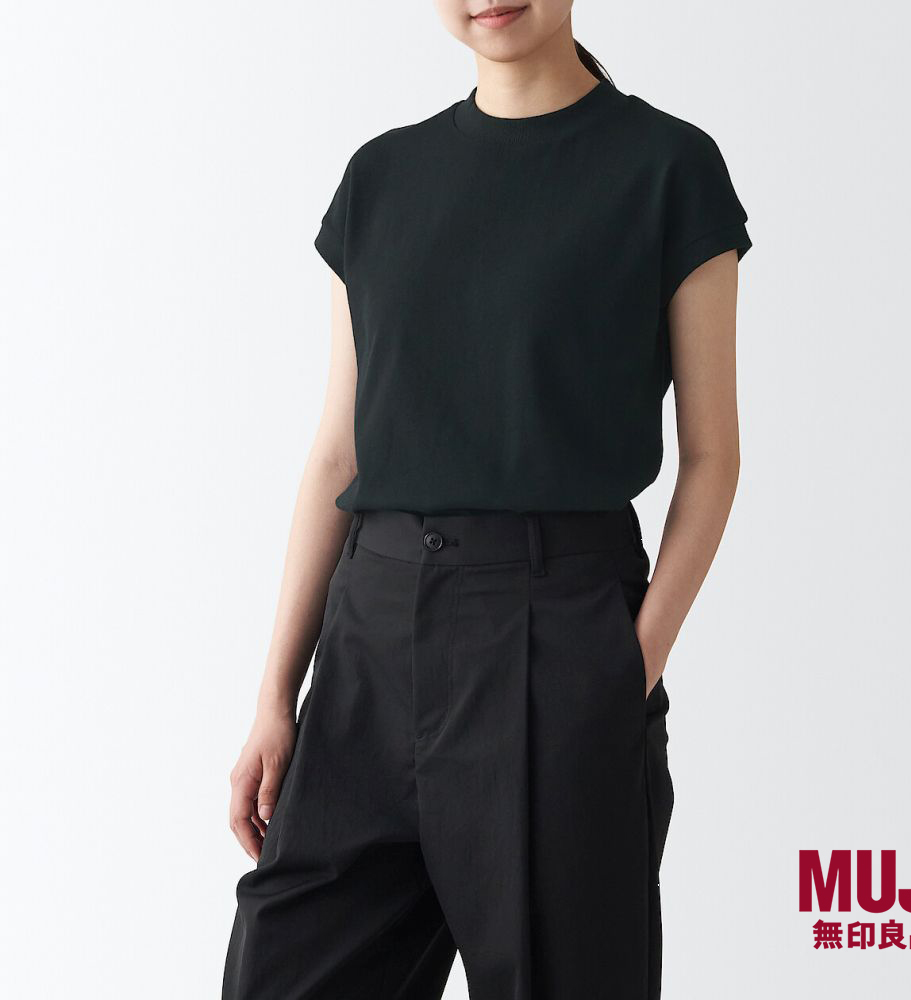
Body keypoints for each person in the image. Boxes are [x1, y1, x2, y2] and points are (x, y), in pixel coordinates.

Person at [222, 2, 751, 997]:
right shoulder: (380, 178)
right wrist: (274, 697)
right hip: (366, 648)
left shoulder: (667, 168)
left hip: (558, 636)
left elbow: (713, 455)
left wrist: (624, 671)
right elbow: (338, 453)